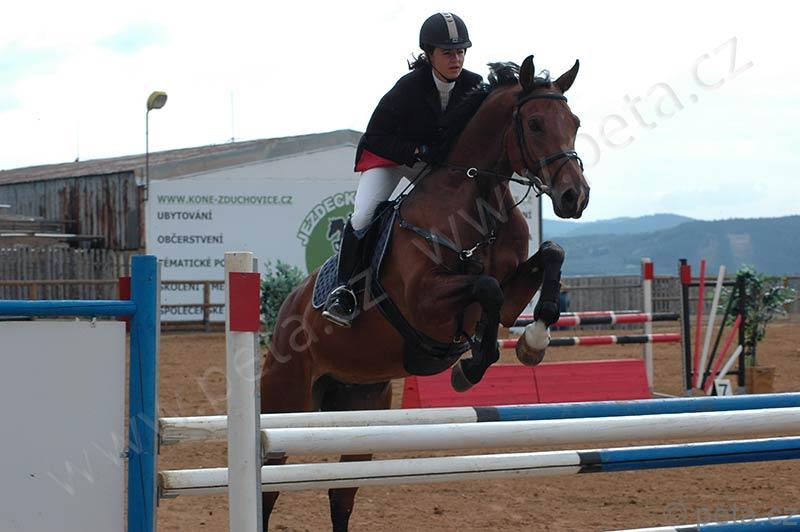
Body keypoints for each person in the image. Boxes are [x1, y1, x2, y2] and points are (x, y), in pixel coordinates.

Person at [323, 12, 484, 327]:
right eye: (448, 53)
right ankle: (344, 290)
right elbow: (376, 136)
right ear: (429, 54)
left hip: (432, 162)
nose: (456, 59)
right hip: (389, 157)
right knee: (363, 215)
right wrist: (415, 151)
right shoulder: (408, 88)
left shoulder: (473, 85)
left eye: (461, 51)